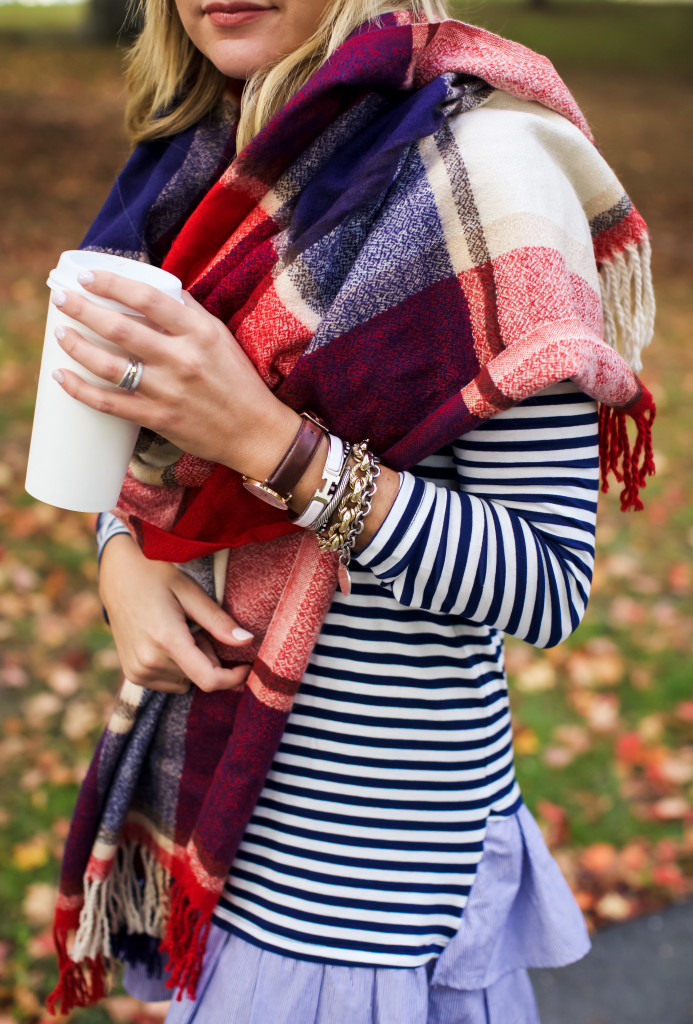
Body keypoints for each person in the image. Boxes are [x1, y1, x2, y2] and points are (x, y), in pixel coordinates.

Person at [46, 0, 656, 1021]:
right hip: (222, 837)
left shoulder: (489, 171)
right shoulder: (200, 168)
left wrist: (274, 450)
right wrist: (123, 558)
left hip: (362, 903)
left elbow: (548, 584)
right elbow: (151, 452)